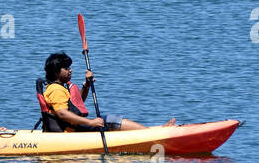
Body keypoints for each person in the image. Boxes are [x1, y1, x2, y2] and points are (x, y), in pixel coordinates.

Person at [36, 52, 172, 133]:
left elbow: (76, 105)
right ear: (56, 72)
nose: (70, 70)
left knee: (107, 119)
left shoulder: (59, 87)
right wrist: (91, 123)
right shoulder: (56, 89)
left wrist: (87, 85)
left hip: (76, 127)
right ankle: (151, 134)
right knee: (110, 120)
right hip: (72, 132)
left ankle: (152, 131)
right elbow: (62, 113)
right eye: (66, 68)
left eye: (69, 67)